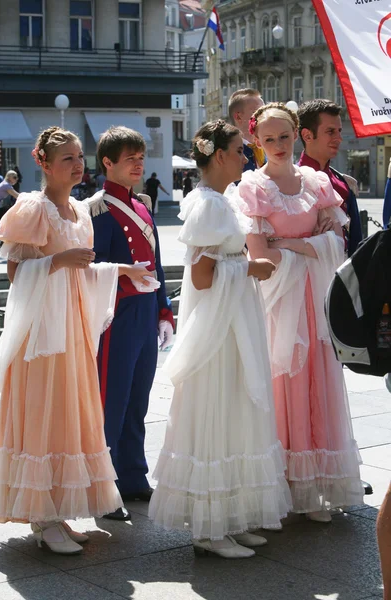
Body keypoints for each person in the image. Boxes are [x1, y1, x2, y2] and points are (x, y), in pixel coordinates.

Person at [0, 126, 155, 555]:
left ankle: (57, 510)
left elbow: (85, 269)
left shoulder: (80, 212)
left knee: (67, 413)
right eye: (67, 158)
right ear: (42, 163)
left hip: (74, 327)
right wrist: (58, 260)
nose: (77, 164)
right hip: (43, 331)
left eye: (80, 156)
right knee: (44, 410)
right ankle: (42, 518)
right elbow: (15, 273)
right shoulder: (33, 207)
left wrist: (121, 271)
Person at [149, 119, 292, 559]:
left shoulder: (221, 200)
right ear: (218, 155)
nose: (246, 157)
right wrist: (252, 267)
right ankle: (208, 531)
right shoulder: (210, 206)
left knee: (235, 408)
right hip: (219, 324)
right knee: (217, 405)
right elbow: (202, 277)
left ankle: (229, 518)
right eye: (239, 149)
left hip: (234, 318)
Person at [237, 103, 364, 522]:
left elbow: (338, 244)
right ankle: (284, 483)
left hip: (316, 297)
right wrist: (307, 246)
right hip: (277, 301)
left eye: (284, 137)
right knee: (282, 383)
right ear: (256, 140)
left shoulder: (316, 181)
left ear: (297, 135)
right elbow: (259, 255)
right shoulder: (252, 187)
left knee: (319, 382)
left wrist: (290, 244)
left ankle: (315, 486)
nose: (277, 146)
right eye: (268, 139)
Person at [87, 126, 174, 521]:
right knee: (111, 403)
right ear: (108, 163)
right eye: (130, 159)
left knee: (138, 401)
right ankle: (101, 488)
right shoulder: (96, 209)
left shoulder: (142, 203)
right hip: (116, 314)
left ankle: (133, 476)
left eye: (141, 158)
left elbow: (154, 262)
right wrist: (123, 278)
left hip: (144, 313)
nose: (139, 165)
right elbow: (89, 267)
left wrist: (163, 308)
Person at [297, 99, 363, 256]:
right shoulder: (289, 182)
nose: (339, 138)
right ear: (307, 135)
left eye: (339, 131)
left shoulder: (342, 182)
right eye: (330, 131)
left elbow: (356, 242)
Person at [228, 88, 265, 172]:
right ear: (238, 117)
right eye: (258, 112)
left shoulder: (268, 149)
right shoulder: (229, 155)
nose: (265, 117)